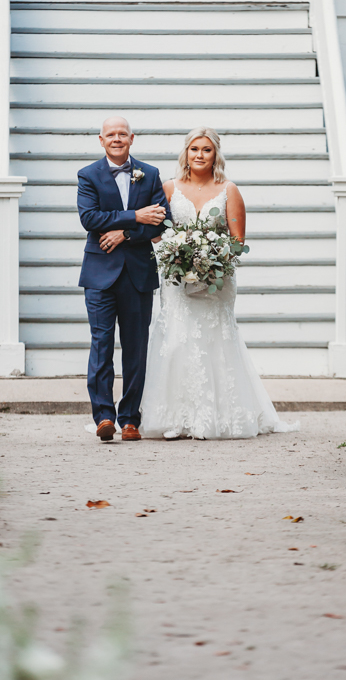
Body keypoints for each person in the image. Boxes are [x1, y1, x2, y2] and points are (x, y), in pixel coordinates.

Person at [139, 127, 298, 440]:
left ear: (216, 155)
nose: (200, 155)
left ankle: (220, 416)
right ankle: (177, 418)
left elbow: (238, 241)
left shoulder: (229, 189)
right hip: (176, 280)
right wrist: (178, 252)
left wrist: (211, 257)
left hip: (217, 282)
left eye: (206, 150)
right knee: (177, 341)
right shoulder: (168, 188)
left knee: (216, 341)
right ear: (186, 152)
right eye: (194, 149)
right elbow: (157, 233)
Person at [78, 116, 169, 442]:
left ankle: (130, 418)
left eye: (122, 134)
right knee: (101, 346)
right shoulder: (88, 175)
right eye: (110, 134)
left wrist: (124, 234)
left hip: (138, 274)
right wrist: (135, 216)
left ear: (131, 138)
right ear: (101, 140)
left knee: (136, 349)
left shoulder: (150, 174)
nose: (116, 139)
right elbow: (89, 218)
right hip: (99, 275)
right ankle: (104, 416)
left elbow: (161, 222)